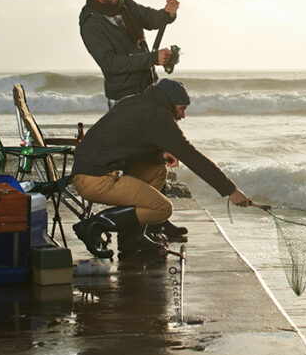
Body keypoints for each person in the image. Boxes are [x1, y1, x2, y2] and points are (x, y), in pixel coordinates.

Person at [70, 79, 255, 259]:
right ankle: (94, 225)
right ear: (170, 103)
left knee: (158, 170)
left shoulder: (134, 102)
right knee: (162, 209)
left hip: (86, 172)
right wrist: (230, 190)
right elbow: (191, 156)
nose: (183, 115)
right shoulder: (159, 117)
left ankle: (131, 239)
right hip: (97, 179)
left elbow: (125, 146)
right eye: (182, 109)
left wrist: (160, 157)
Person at [79, 0, 180, 107]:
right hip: (123, 97)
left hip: (148, 88)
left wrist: (168, 13)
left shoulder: (124, 3)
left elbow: (150, 19)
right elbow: (110, 64)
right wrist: (152, 58)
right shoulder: (91, 23)